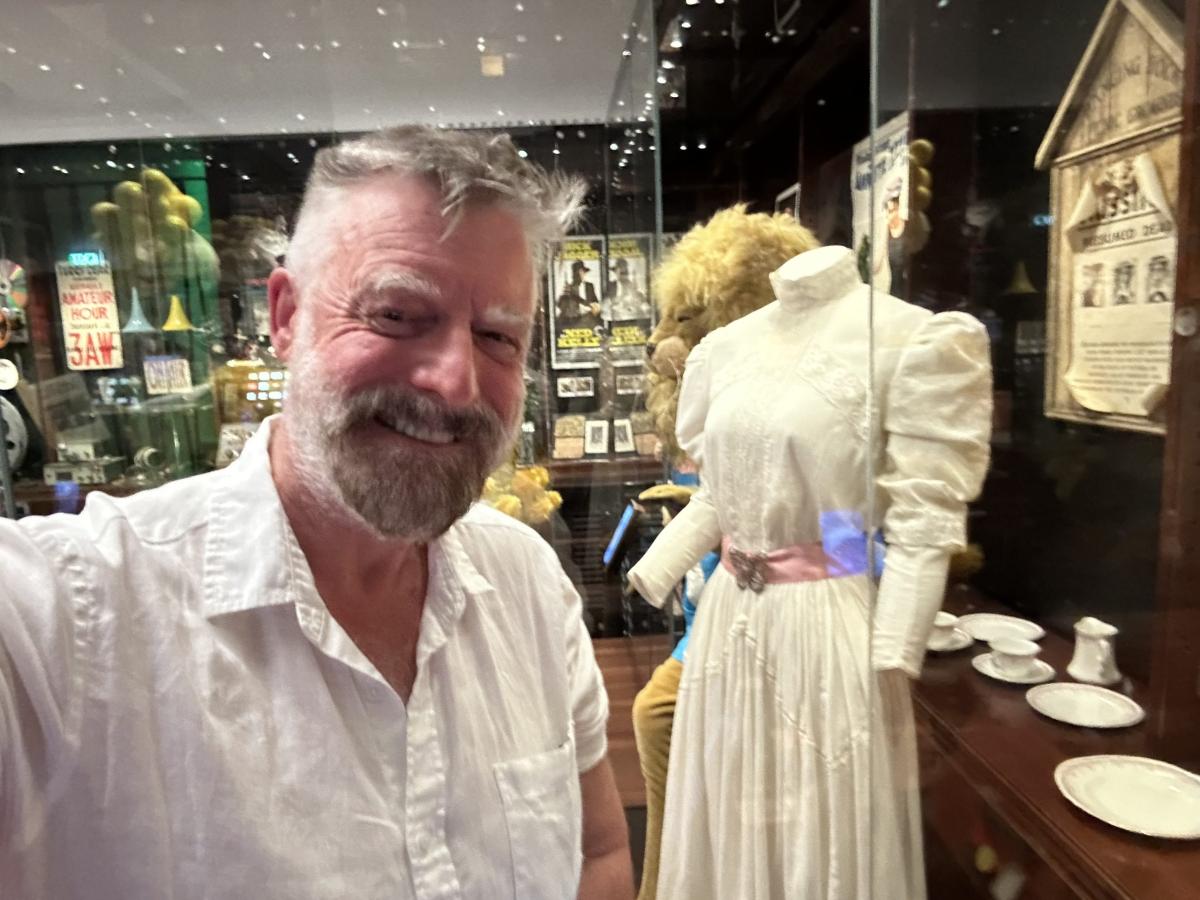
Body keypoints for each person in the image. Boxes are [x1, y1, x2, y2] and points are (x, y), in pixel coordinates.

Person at [0, 126, 634, 900]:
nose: (455, 382)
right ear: (286, 315)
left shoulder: (525, 580)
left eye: (497, 336)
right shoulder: (77, 613)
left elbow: (599, 852)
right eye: (396, 314)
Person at [556, 260, 602, 328]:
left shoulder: (589, 286)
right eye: (578, 272)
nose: (581, 275)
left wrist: (595, 306)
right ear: (574, 274)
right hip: (574, 321)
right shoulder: (568, 289)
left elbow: (595, 301)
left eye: (582, 272)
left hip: (589, 319)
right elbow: (560, 305)